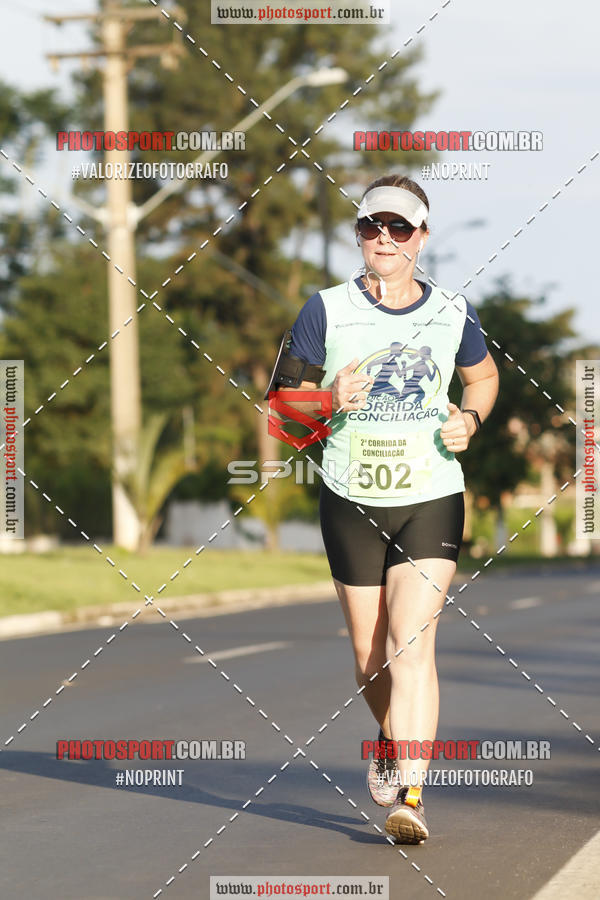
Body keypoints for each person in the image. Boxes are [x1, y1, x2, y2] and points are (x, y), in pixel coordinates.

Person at [268, 174, 499, 843]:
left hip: (430, 494)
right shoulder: (326, 310)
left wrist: (471, 421)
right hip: (350, 499)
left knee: (410, 646)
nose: (386, 239)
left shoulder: (452, 311)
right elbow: (280, 410)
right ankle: (390, 738)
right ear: (359, 233)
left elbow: (481, 377)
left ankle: (413, 797)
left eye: (401, 228)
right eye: (374, 226)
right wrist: (331, 398)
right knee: (371, 661)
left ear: (422, 238)